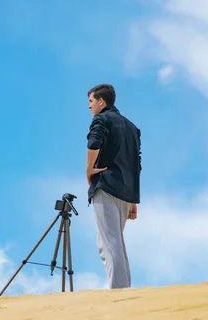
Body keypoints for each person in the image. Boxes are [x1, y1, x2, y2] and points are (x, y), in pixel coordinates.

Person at [85, 83, 141, 289]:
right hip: (126, 193)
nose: (89, 107)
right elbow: (136, 163)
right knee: (117, 243)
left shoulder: (101, 119)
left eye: (91, 101)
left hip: (107, 186)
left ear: (101, 101)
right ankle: (124, 290)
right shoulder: (132, 127)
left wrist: (89, 169)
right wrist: (133, 200)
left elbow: (94, 142)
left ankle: (119, 294)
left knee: (108, 244)